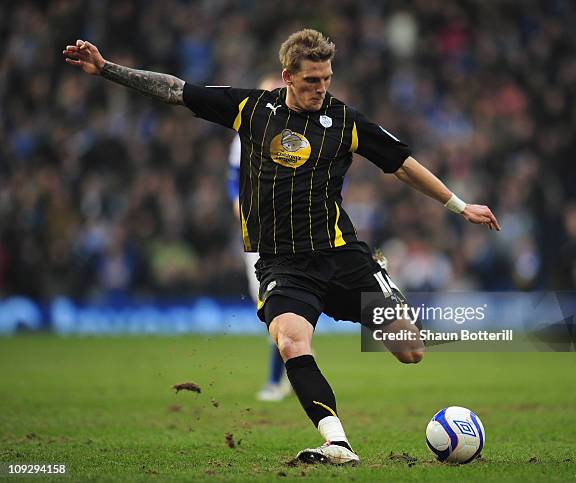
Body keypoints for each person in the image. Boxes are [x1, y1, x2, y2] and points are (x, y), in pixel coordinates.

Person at [64, 29, 500, 465]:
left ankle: (382, 279)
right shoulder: (251, 109)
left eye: (327, 78)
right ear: (287, 77)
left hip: (343, 256)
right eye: (312, 80)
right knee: (291, 342)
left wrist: (460, 206)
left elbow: (402, 165)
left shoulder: (344, 120)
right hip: (285, 266)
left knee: (410, 350)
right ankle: (337, 444)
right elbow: (177, 90)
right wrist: (107, 70)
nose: (321, 88)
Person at [227, 75, 292, 402]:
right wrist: (242, 205)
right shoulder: (244, 135)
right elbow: (233, 182)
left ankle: (276, 380)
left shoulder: (297, 136)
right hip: (257, 234)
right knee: (270, 308)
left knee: (278, 304)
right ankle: (290, 370)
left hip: (292, 233)